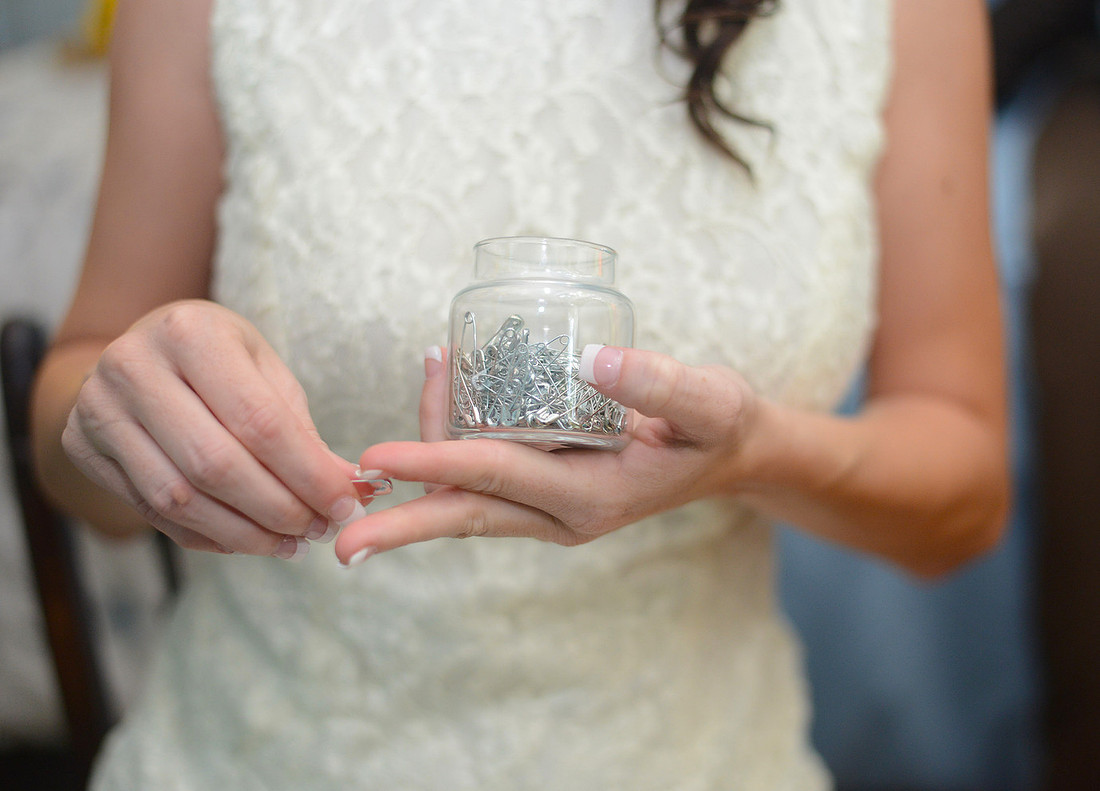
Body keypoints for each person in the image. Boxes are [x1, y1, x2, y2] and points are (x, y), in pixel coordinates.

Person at [30, 0, 1008, 788]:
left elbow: (962, 491)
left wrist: (753, 453)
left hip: (695, 755)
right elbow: (71, 416)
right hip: (264, 750)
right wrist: (126, 419)